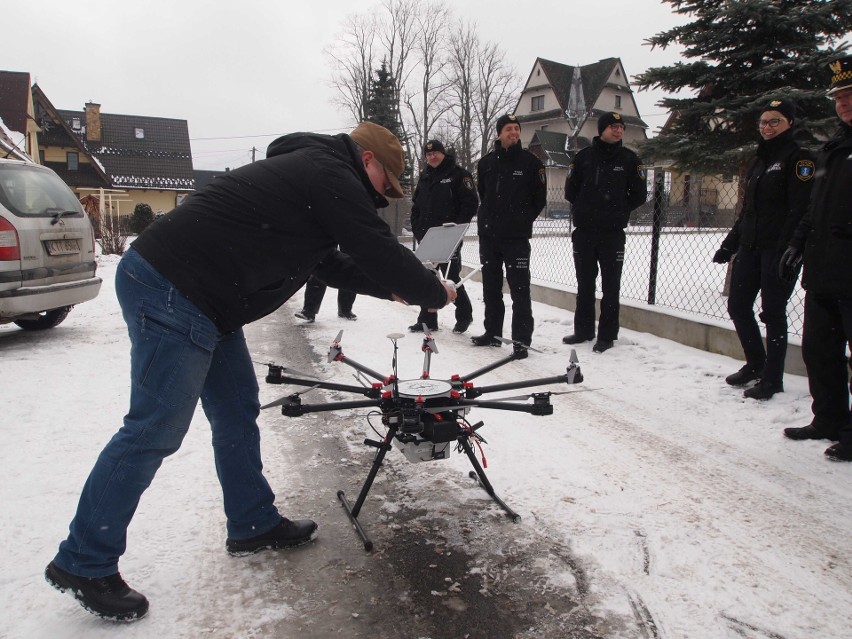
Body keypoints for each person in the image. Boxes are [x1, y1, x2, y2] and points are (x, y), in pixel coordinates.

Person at [44, 121, 457, 621]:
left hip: (206, 297)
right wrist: (432, 292)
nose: (381, 196)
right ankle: (83, 560)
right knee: (154, 428)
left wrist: (392, 288)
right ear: (367, 159)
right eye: (384, 183)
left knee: (238, 411)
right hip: (173, 287)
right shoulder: (328, 171)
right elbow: (373, 245)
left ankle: (251, 522)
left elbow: (326, 264)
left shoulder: (313, 176)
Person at [712, 99, 815, 400]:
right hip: (750, 247)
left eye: (775, 121)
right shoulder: (758, 161)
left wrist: (791, 248)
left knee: (773, 313)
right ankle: (756, 364)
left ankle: (773, 379)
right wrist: (729, 244)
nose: (767, 127)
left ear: (790, 124)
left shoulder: (799, 159)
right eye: (764, 122)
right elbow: (748, 211)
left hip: (779, 250)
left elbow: (801, 209)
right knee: (738, 306)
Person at [780, 56, 852, 459]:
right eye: (840, 97)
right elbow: (814, 207)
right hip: (823, 272)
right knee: (819, 352)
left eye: (850, 96)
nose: (843, 104)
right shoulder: (833, 149)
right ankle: (828, 418)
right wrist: (797, 243)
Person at [562, 112, 647, 353]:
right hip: (585, 232)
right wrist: (586, 207)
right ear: (602, 130)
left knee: (611, 286)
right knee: (585, 283)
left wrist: (617, 209)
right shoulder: (583, 158)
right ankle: (584, 330)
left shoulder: (630, 160)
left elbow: (639, 194)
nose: (618, 130)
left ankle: (607, 335)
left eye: (621, 127)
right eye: (613, 126)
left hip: (612, 233)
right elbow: (570, 190)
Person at [470, 113, 547, 358]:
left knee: (520, 290)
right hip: (489, 237)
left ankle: (521, 340)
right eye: (508, 129)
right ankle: (491, 333)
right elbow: (484, 193)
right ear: (499, 133)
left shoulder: (531, 164)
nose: (513, 133)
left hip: (516, 239)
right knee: (491, 289)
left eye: (516, 128)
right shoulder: (486, 163)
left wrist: (520, 221)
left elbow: (539, 200)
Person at [408, 139, 478, 333]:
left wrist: (456, 228)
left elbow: (471, 203)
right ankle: (427, 321)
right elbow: (416, 206)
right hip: (427, 236)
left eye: (436, 153)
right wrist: (418, 228)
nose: (432, 156)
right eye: (428, 154)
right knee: (427, 277)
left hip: (449, 235)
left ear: (443, 153)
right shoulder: (425, 176)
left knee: (451, 276)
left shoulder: (458, 174)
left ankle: (464, 315)